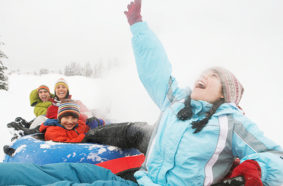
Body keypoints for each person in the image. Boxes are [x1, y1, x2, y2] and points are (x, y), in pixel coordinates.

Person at [0, 1, 282, 185]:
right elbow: (155, 70)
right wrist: (139, 28)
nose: (203, 75)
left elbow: (275, 157)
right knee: (67, 172)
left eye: (214, 76)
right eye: (204, 72)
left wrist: (257, 172)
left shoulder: (230, 122)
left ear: (226, 93)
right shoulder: (175, 102)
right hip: (139, 178)